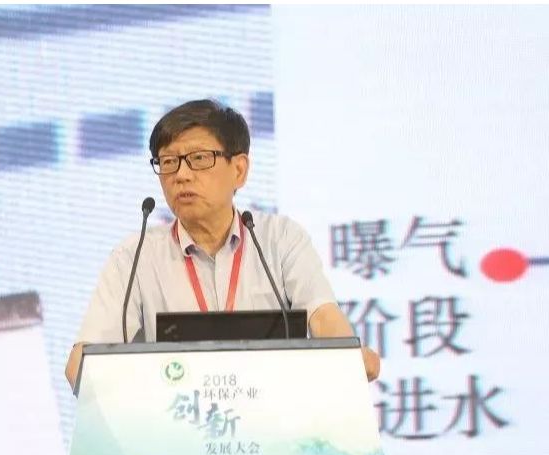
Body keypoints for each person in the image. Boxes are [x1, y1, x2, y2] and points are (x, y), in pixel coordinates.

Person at [65, 99, 380, 389]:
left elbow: (323, 316)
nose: (181, 175)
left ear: (239, 170)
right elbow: (82, 365)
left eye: (199, 159)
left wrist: (347, 357)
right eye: (169, 161)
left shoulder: (280, 239)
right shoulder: (133, 257)